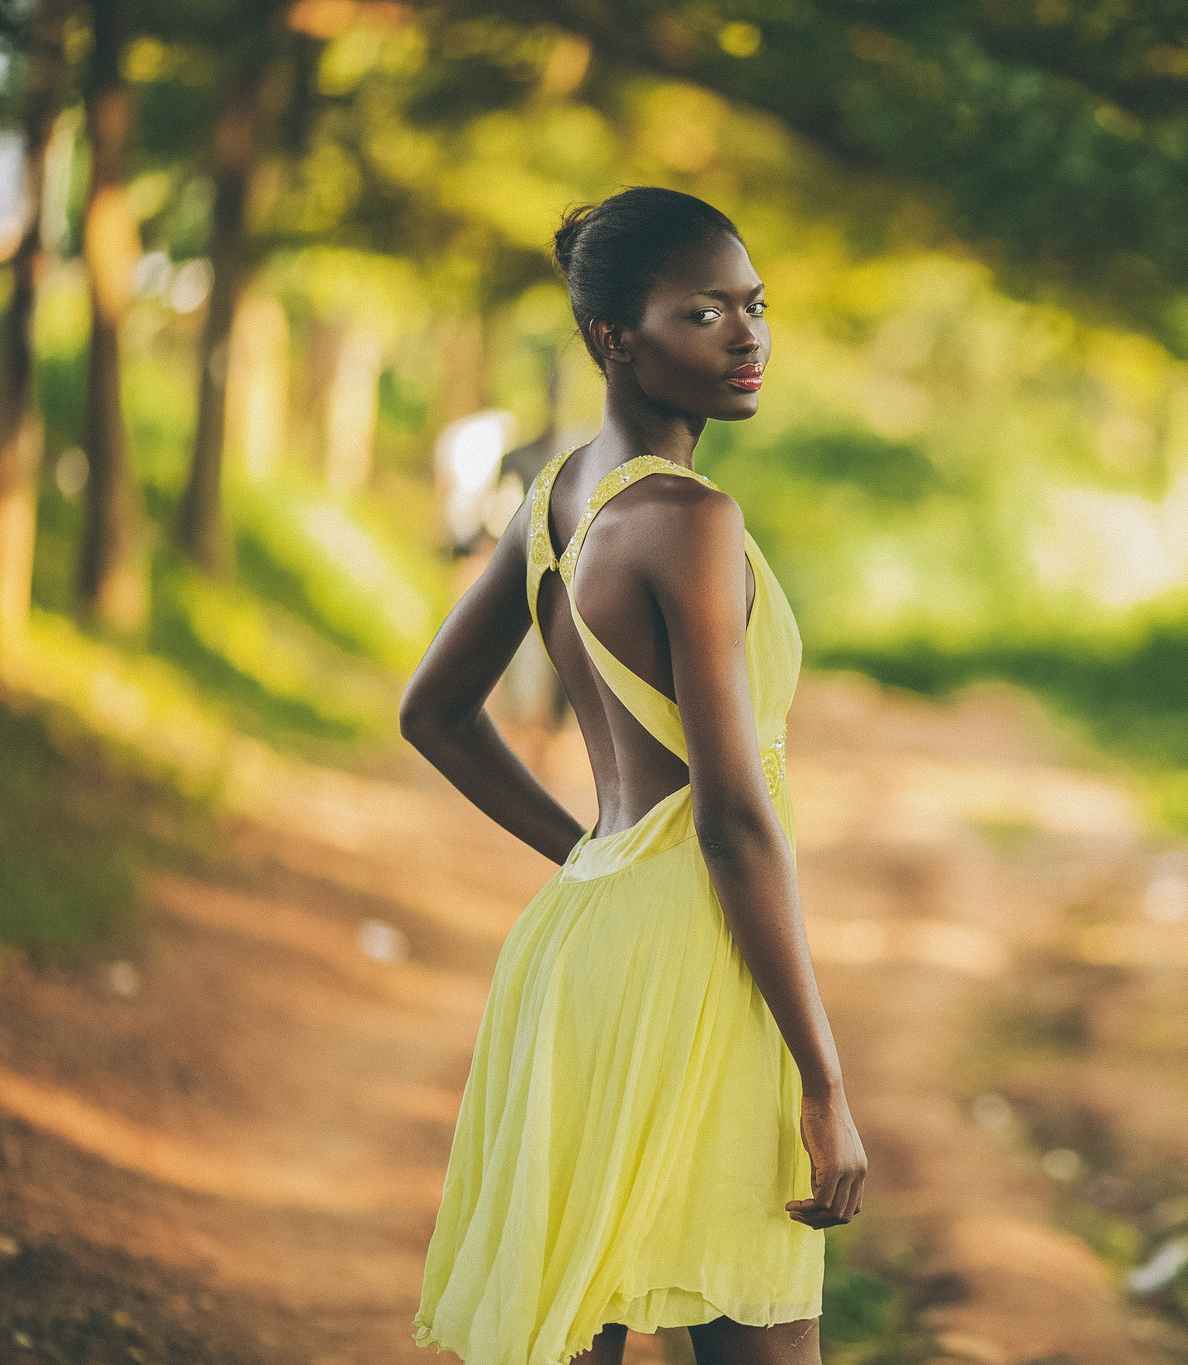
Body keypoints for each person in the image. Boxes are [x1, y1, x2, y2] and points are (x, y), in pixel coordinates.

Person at [401, 187, 865, 1365]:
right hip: (694, 961)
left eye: (755, 307)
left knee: (580, 1325)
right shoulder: (688, 520)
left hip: (580, 951)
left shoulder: (560, 497)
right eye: (704, 312)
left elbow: (434, 714)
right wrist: (820, 1079)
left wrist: (588, 856)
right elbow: (731, 826)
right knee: (754, 1328)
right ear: (615, 335)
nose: (747, 337)